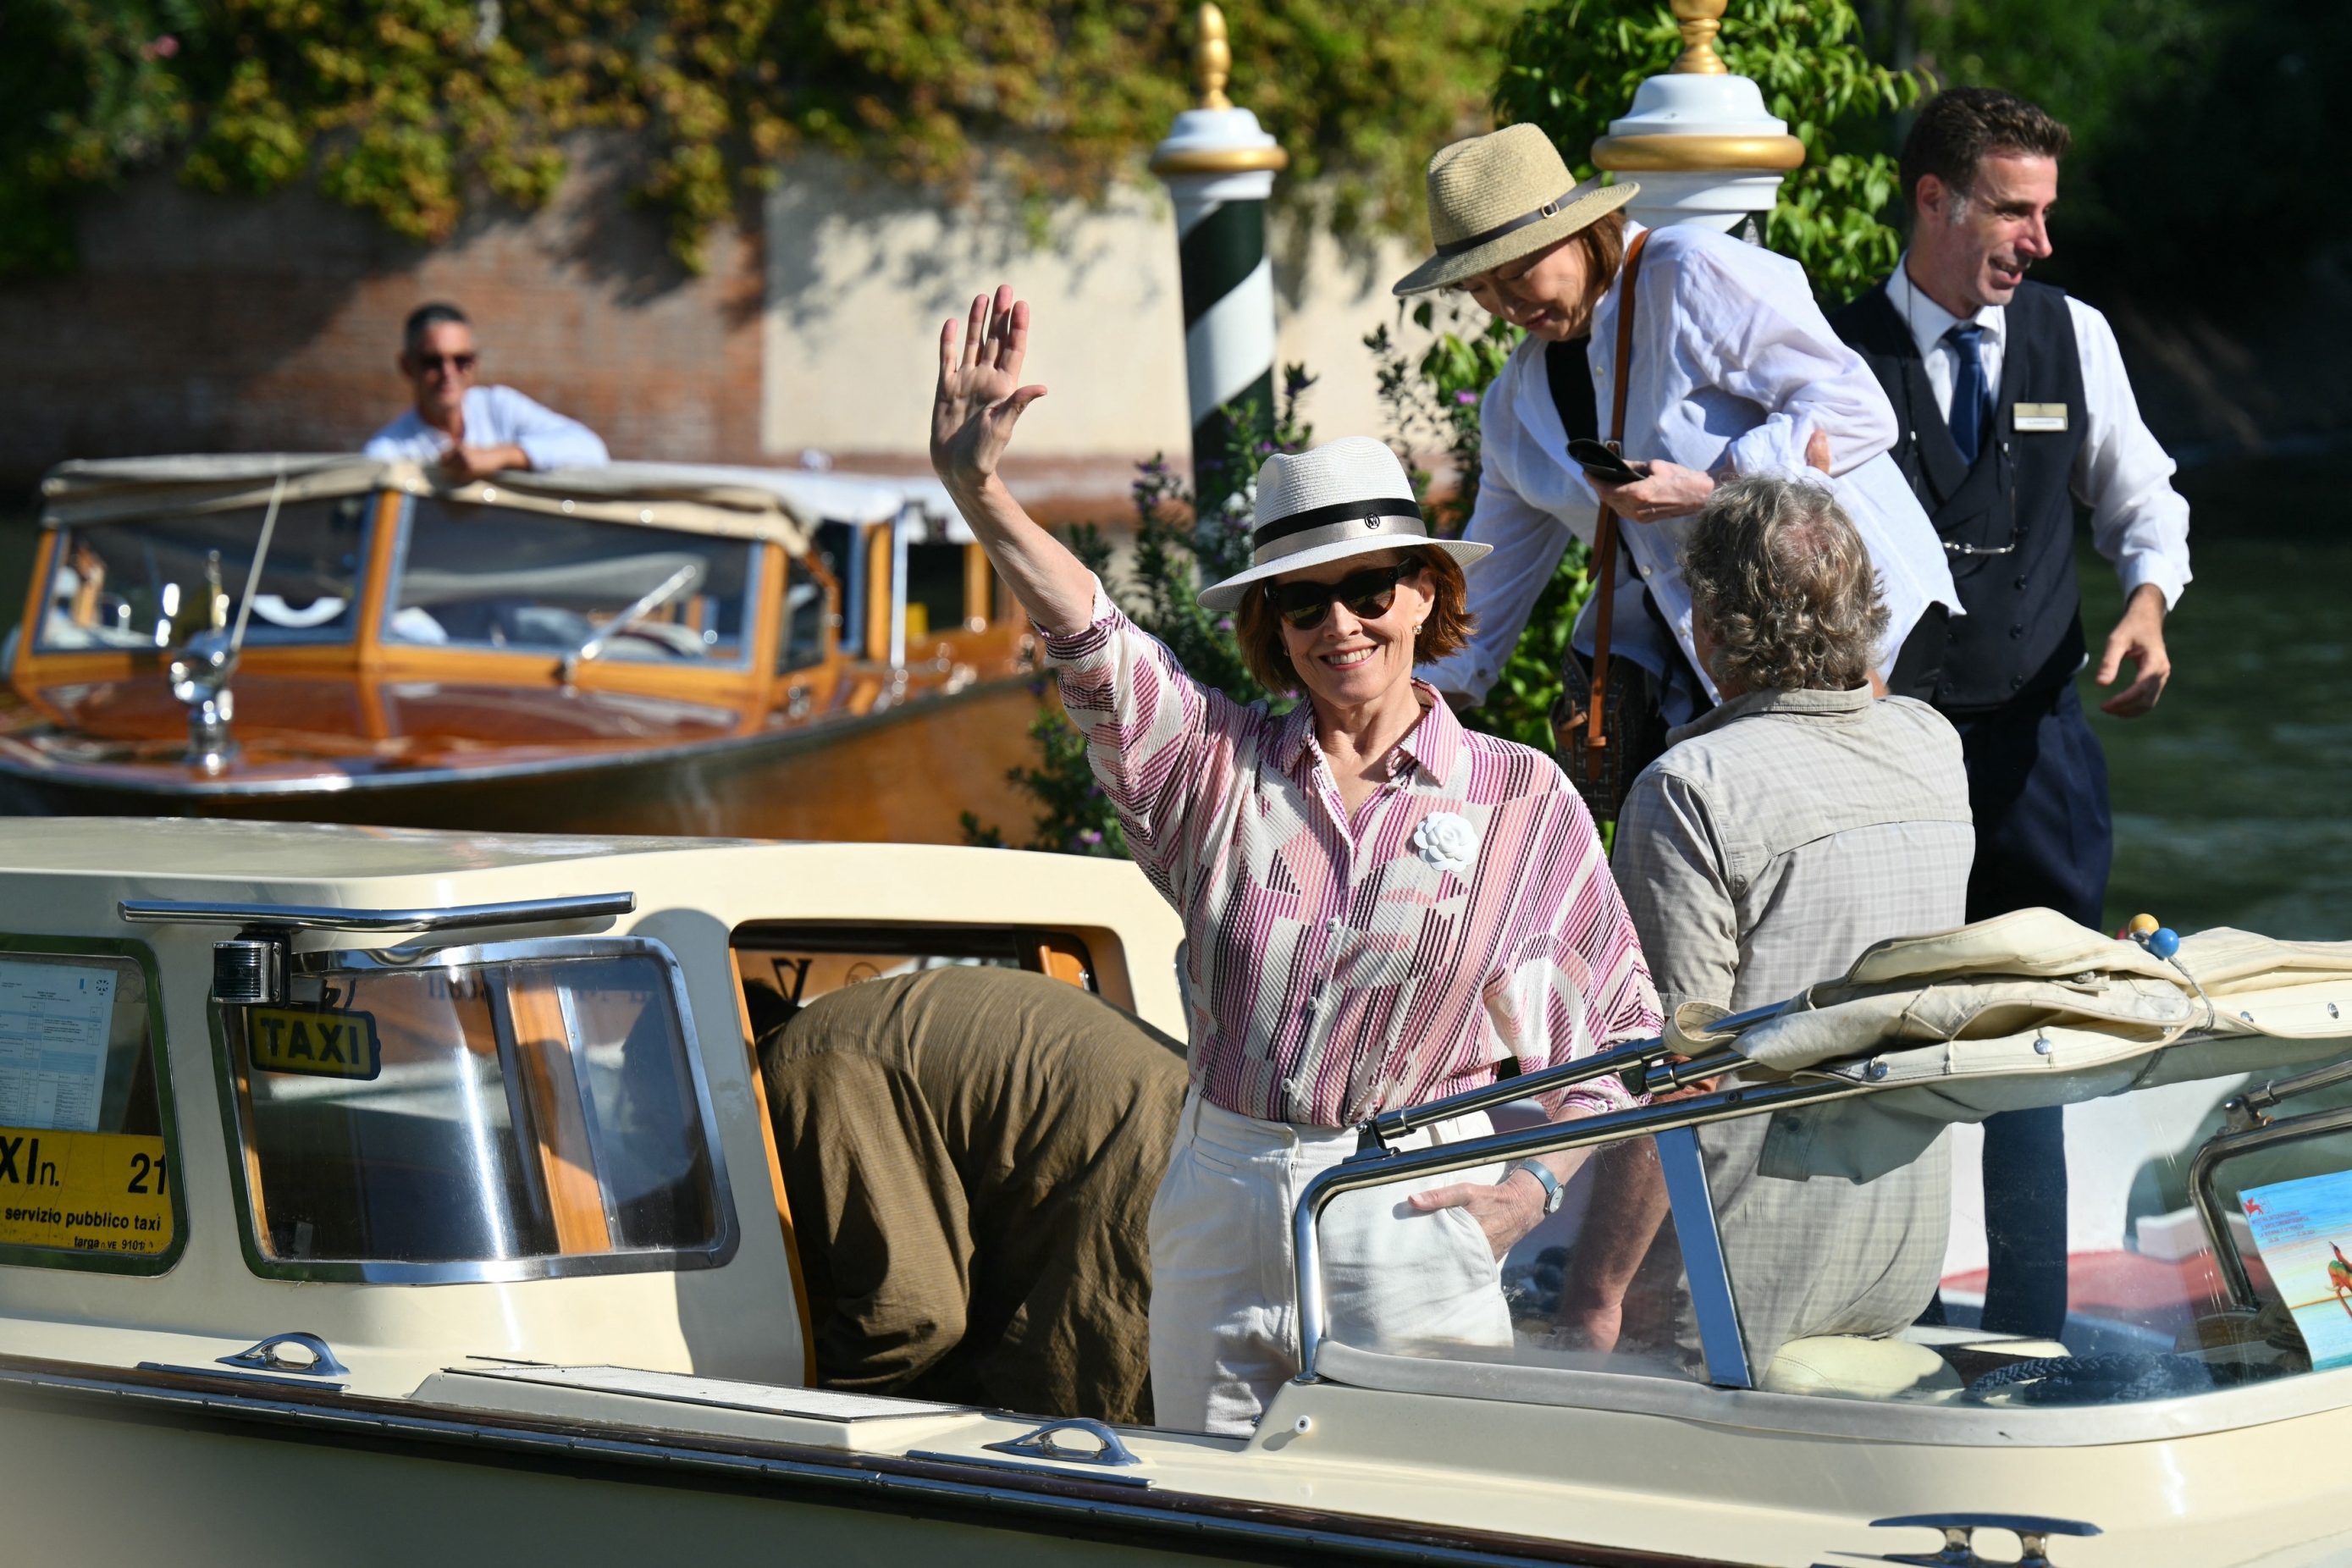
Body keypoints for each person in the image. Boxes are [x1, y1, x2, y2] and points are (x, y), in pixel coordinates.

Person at [929, 285, 1660, 1435]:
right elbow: (1093, 644)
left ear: (1425, 594)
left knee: (1431, 1527)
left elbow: (1615, 1035)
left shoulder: (1519, 796)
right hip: (1223, 1198)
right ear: (1274, 624)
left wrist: (1528, 1191)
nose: (1340, 625)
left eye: (1369, 590)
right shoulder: (1211, 773)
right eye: (1304, 600)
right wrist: (978, 490)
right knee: (1217, 1521)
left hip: (1409, 1207)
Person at [1829, 88, 2193, 1340]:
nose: (2040, 239)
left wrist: (2145, 608)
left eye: (2045, 211)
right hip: (1884, 763)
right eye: (2012, 210)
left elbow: (2141, 497)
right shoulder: (1831, 356)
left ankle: (2030, 1330)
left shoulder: (2070, 337)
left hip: (2041, 750)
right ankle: (1896, 1326)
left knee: (2030, 1044)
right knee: (1896, 1044)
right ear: (1931, 200)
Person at [1557, 474, 1973, 1375]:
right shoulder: (1935, 747)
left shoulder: (1690, 789)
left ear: (1709, 625)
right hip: (1900, 1255)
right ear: (1866, 608)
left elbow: (1677, 1078)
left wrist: (1592, 1297)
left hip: (1728, 1285)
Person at [1393, 124, 1957, 758]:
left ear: (1575, 228)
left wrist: (1712, 489)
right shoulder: (1515, 406)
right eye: (1477, 289)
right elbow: (1493, 582)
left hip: (1859, 633)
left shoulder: (1688, 272)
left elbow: (1856, 409)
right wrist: (1403, 702)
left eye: (1518, 272)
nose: (1506, 305)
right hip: (1728, 666)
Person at [754, 966, 1185, 1423]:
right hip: (1207, 1145)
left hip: (1139, 1189)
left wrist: (798, 1410)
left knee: (1060, 1456)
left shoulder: (803, 1062)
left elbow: (915, 1313)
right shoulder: (860, 1025)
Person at [363, 302, 610, 478]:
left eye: (461, 361)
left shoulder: (500, 406)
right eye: (432, 362)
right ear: (407, 367)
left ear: (475, 363)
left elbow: (591, 449)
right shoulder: (386, 452)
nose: (449, 373)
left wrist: (500, 456)